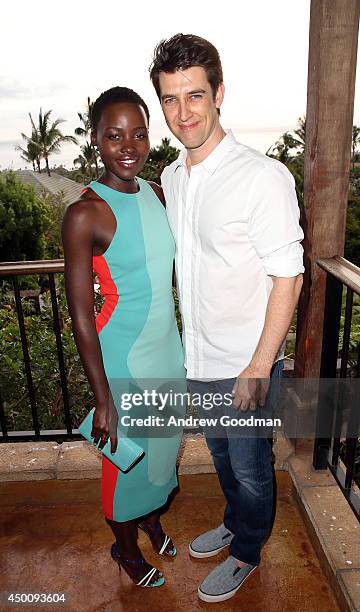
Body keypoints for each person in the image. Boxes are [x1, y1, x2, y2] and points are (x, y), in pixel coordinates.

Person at [149, 34, 304, 603]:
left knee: (251, 468)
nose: (183, 112)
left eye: (195, 95)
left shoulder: (261, 178)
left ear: (219, 94)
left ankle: (248, 548)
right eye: (170, 99)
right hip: (202, 359)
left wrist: (259, 366)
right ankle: (237, 524)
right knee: (221, 456)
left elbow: (289, 276)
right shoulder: (173, 178)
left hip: (248, 363)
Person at [62, 86, 185, 588]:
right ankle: (125, 548)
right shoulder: (85, 213)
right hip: (124, 357)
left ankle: (151, 518)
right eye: (114, 136)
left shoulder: (155, 193)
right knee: (127, 461)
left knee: (163, 448)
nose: (128, 146)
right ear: (95, 140)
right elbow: (81, 316)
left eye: (138, 133)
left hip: (167, 352)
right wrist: (102, 397)